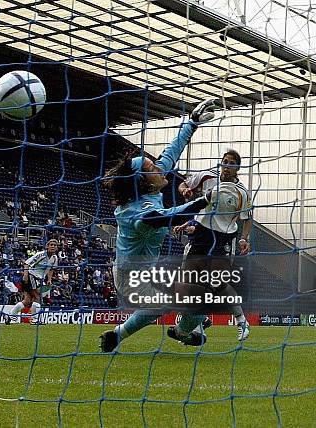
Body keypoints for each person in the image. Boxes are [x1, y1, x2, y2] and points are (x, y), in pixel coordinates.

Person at [99, 99, 218, 352]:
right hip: (130, 278)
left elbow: (171, 152)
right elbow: (165, 217)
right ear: (141, 181)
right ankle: (184, 328)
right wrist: (204, 200)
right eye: (152, 167)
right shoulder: (132, 213)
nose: (159, 167)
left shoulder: (151, 184)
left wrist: (192, 123)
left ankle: (123, 335)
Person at [176, 149, 252, 340]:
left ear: (237, 168)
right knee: (188, 282)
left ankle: (242, 321)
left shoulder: (242, 191)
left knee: (219, 283)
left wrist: (244, 238)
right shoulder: (207, 176)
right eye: (225, 161)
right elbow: (183, 184)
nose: (227, 165)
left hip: (223, 238)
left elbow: (247, 218)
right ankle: (200, 322)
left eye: (231, 163)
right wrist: (185, 189)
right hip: (200, 235)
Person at [6, 239, 59, 324]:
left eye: (54, 245)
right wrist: (26, 276)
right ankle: (34, 320)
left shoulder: (54, 258)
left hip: (39, 279)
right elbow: (27, 263)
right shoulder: (40, 255)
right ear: (47, 246)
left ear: (57, 247)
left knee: (27, 301)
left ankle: (11, 315)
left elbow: (51, 269)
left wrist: (49, 279)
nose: (52, 246)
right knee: (38, 297)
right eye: (51, 245)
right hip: (31, 276)